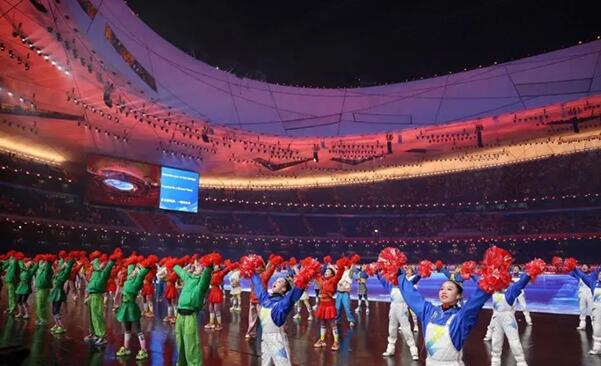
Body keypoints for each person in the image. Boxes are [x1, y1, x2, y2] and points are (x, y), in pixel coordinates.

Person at [398, 269, 492, 365]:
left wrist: (489, 281)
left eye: (449, 289)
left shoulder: (462, 317)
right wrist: (399, 275)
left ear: (458, 295)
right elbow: (411, 295)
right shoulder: (429, 311)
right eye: (442, 289)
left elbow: (477, 300)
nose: (444, 292)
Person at [251, 271, 304, 366]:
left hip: (278, 340)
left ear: (284, 288)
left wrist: (302, 281)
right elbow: (258, 285)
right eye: (275, 281)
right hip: (265, 338)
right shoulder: (265, 299)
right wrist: (251, 271)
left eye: (279, 282)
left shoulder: (283, 303)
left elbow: (294, 295)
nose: (275, 282)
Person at [173, 256, 214, 366]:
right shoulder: (188, 278)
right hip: (179, 316)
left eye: (198, 266)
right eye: (195, 265)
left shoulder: (201, 284)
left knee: (191, 343)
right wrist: (182, 266)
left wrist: (209, 266)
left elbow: (206, 277)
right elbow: (177, 269)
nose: (196, 267)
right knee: (180, 342)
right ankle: (181, 363)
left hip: (190, 316)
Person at [115, 256, 156, 360]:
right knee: (126, 329)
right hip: (124, 307)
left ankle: (143, 349)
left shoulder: (137, 282)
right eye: (133, 270)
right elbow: (130, 266)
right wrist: (133, 263)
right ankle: (126, 347)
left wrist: (145, 267)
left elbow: (142, 274)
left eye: (136, 271)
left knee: (138, 329)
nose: (133, 271)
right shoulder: (130, 277)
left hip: (131, 308)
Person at [487, 273, 532, 366]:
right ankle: (495, 362)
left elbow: (521, 283)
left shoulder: (510, 292)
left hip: (508, 319)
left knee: (514, 340)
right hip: (496, 318)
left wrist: (529, 274)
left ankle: (521, 362)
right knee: (496, 341)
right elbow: (481, 284)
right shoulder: (494, 291)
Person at [377, 266, 419, 360]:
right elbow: (381, 280)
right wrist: (376, 273)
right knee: (392, 329)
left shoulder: (405, 285)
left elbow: (415, 279)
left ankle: (413, 351)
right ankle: (390, 349)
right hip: (393, 307)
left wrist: (422, 272)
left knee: (406, 329)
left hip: (402, 307)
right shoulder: (390, 285)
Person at [83, 251, 117, 346]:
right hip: (92, 296)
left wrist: (112, 261)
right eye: (94, 263)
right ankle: (93, 333)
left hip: (97, 296)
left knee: (97, 316)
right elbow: (90, 284)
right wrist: (87, 296)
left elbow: (108, 268)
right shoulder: (94, 273)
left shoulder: (103, 273)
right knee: (91, 317)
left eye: (97, 263)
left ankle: (101, 336)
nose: (95, 265)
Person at [313, 259, 346, 351]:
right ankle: (322, 340)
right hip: (322, 305)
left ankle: (336, 341)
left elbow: (339, 274)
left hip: (329, 305)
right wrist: (312, 267)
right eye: (326, 271)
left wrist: (340, 267)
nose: (326, 272)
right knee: (322, 323)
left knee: (332, 324)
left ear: (332, 274)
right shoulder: (322, 280)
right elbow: (316, 275)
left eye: (329, 271)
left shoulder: (333, 281)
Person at [571, 266, 601, 354]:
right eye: (600, 274)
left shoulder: (593, 276)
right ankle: (597, 348)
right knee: (597, 327)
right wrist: (573, 267)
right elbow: (582, 276)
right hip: (597, 309)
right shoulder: (593, 283)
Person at [246, 260, 276, 339]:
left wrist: (274, 263)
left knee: (263, 318)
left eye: (258, 266)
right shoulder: (253, 275)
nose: (256, 268)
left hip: (260, 301)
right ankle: (251, 333)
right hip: (252, 299)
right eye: (255, 266)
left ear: (262, 268)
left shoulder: (265, 275)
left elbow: (271, 270)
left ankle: (267, 334)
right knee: (252, 318)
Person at [49, 254, 75, 334]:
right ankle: (57, 324)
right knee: (53, 311)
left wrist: (68, 264)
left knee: (56, 311)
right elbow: (56, 271)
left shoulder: (64, 275)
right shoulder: (58, 273)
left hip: (59, 294)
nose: (59, 266)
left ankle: (61, 326)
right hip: (54, 293)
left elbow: (67, 270)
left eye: (62, 265)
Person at [205, 261, 234, 330]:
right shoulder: (212, 273)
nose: (215, 267)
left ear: (219, 268)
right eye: (214, 266)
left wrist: (229, 265)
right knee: (210, 308)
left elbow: (226, 270)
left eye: (216, 266)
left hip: (217, 292)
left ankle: (219, 325)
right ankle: (211, 323)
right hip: (212, 292)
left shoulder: (220, 273)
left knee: (216, 309)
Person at [572, 264, 593, 330]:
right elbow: (571, 272)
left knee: (592, 310)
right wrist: (570, 266)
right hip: (581, 294)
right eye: (582, 266)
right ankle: (582, 325)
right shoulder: (578, 276)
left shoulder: (592, 275)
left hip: (590, 294)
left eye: (585, 266)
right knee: (582, 309)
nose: (583, 267)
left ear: (589, 268)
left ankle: (595, 325)